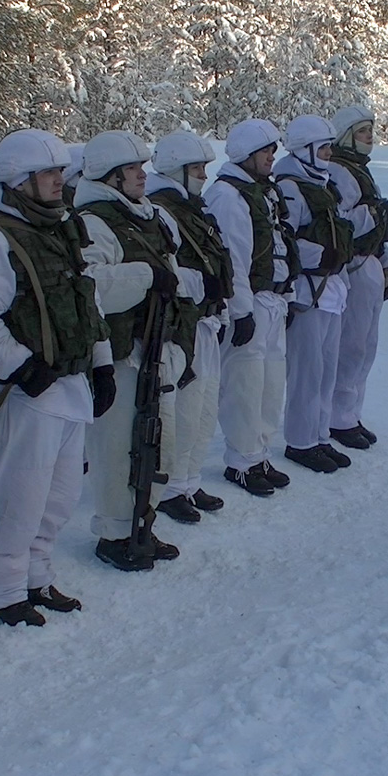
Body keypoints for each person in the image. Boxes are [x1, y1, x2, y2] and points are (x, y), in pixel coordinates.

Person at [0, 129, 111, 625]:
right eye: (47, 174)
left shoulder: (60, 228)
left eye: (59, 172)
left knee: (58, 494)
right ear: (18, 181)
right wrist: (19, 366)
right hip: (22, 391)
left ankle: (35, 575)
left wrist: (102, 360)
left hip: (67, 383)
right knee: (16, 495)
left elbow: (85, 302)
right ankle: (1, 587)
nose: (58, 181)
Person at [74, 130, 192, 570]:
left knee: (159, 442)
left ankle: (142, 522)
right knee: (117, 444)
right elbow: (93, 287)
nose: (142, 175)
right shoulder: (92, 221)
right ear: (110, 176)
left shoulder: (152, 216)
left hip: (157, 345)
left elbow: (175, 272)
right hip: (121, 351)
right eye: (131, 169)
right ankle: (113, 532)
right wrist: (144, 276)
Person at [204, 119, 298, 496]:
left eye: (273, 151)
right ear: (245, 154)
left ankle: (259, 453)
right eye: (265, 151)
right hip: (252, 302)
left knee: (271, 383)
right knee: (245, 384)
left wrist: (286, 295)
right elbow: (234, 260)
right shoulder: (228, 196)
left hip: (273, 299)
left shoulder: (264, 192)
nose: (271, 158)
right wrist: (240, 311)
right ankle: (241, 459)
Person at [146, 129, 232, 523]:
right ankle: (171, 487)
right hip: (183, 325)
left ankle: (190, 479)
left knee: (204, 407)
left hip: (205, 320)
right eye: (195, 168)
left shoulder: (192, 207)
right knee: (183, 409)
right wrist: (203, 287)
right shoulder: (162, 209)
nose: (202, 174)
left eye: (203, 167)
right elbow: (167, 269)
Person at [273, 115, 354, 473]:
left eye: (329, 147)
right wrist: (319, 256)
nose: (328, 154)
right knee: (307, 371)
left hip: (331, 289)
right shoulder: (291, 186)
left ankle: (320, 435)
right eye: (322, 148)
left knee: (326, 369)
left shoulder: (321, 182)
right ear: (304, 150)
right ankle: (300, 441)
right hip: (308, 292)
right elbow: (283, 240)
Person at [325, 105, 388, 449]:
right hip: (352, 265)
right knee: (351, 344)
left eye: (370, 130)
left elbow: (381, 229)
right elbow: (345, 221)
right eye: (363, 131)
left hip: (369, 263)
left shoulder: (361, 171)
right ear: (347, 135)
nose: (370, 137)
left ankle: (351, 413)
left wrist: (387, 263)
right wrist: (373, 214)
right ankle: (338, 416)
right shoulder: (338, 171)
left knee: (367, 343)